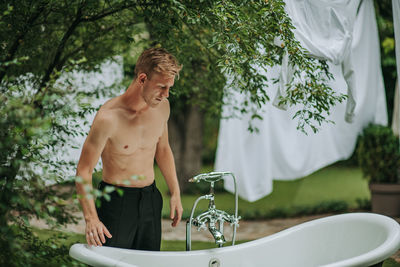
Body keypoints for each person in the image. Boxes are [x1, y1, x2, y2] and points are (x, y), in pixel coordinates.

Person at [75, 47, 183, 251]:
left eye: (169, 87)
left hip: (151, 199)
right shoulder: (109, 117)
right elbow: (84, 171)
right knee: (109, 264)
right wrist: (91, 219)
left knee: (147, 264)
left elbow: (163, 149)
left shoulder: (162, 108)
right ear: (142, 79)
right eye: (161, 87)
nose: (166, 94)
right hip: (116, 202)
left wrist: (175, 192)